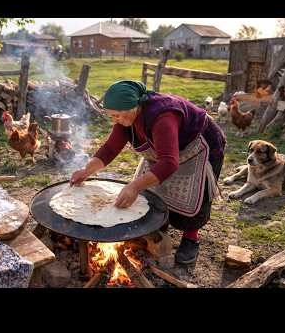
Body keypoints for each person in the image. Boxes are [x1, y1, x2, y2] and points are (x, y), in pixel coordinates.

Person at [70, 81, 226, 264]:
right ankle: (161, 227)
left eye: (117, 115)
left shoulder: (163, 116)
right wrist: (87, 170)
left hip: (198, 146)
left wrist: (134, 186)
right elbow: (110, 148)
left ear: (134, 106)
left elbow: (169, 162)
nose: (115, 120)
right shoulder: (126, 117)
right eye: (111, 116)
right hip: (165, 150)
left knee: (193, 195)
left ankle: (191, 238)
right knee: (154, 191)